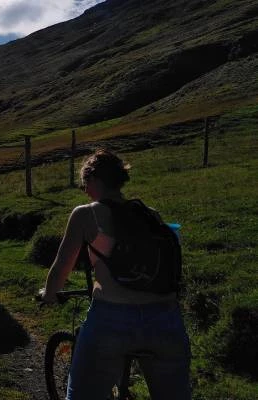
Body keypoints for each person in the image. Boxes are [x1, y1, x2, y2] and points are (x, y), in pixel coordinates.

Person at [40, 149, 191, 399]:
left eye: (84, 184)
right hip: (167, 319)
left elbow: (60, 267)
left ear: (95, 180)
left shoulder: (85, 214)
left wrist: (50, 294)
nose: (85, 190)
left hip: (112, 319)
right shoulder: (150, 214)